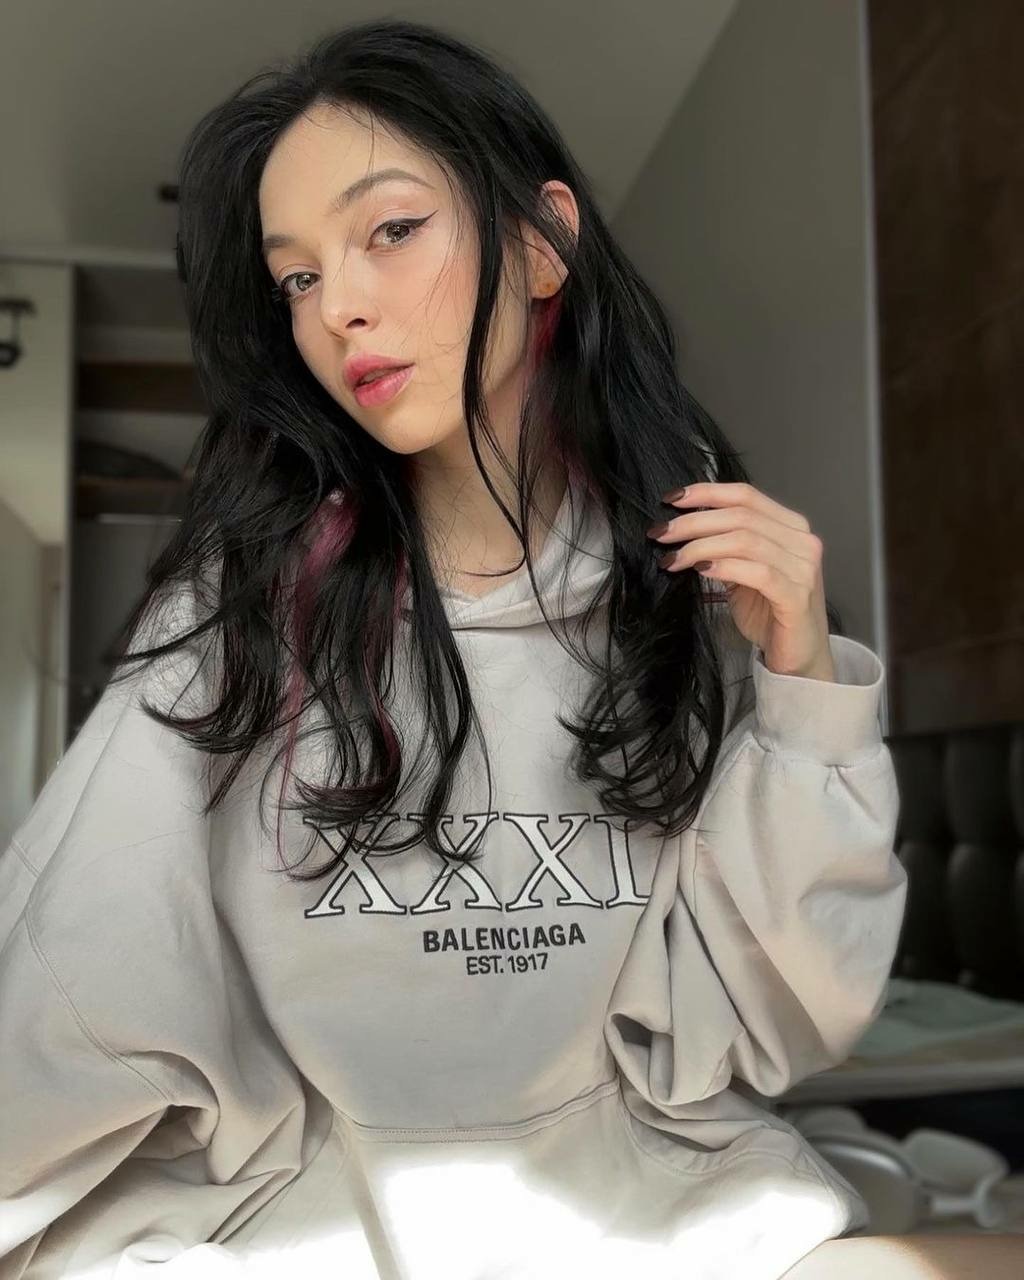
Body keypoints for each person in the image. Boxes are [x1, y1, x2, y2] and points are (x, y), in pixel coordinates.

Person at [3, 17, 1019, 1279]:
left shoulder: (687, 601)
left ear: (542, 242)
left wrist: (804, 691)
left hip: (669, 1226)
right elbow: (71, 997)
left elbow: (773, 1017)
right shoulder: (236, 620)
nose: (340, 309)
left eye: (389, 229)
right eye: (297, 279)